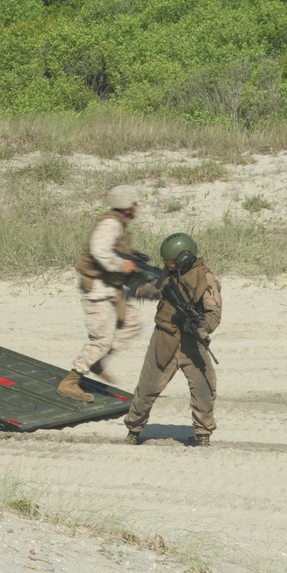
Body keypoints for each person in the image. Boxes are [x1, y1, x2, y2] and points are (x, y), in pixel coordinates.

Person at [124, 233, 222, 447]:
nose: (165, 264)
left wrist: (201, 327)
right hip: (164, 337)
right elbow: (154, 289)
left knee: (204, 387)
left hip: (191, 343)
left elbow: (214, 314)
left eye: (169, 260)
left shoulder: (207, 280)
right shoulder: (168, 274)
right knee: (147, 388)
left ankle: (203, 434)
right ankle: (133, 429)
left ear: (183, 259)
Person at [56, 184, 144, 403]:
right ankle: (71, 381)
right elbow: (99, 251)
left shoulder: (119, 224)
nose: (137, 207)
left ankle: (97, 360)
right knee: (101, 339)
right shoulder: (109, 224)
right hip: (96, 290)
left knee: (132, 322)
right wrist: (121, 265)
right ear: (127, 206)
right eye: (134, 204)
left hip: (110, 289)